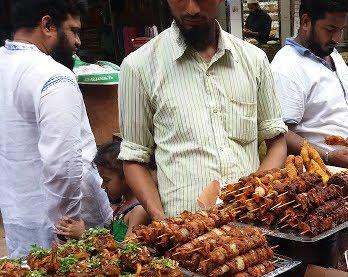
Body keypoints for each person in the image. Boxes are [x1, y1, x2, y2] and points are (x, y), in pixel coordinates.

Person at [118, 0, 287, 220]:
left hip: (252, 232)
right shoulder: (138, 67)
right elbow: (134, 159)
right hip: (183, 234)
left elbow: (277, 143)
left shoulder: (254, 60)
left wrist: (252, 198)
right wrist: (161, 220)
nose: (192, 9)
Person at [0, 0, 111, 258]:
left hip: (18, 216)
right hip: (61, 231)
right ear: (48, 25)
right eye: (73, 30)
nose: (78, 42)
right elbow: (64, 165)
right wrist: (68, 226)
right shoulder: (53, 75)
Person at [270, 0, 348, 167]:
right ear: (306, 22)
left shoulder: (332, 54)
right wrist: (328, 156)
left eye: (340, 30)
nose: (337, 39)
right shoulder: (286, 66)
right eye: (330, 30)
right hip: (327, 173)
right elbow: (281, 133)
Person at [56, 141, 150, 241]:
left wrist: (84, 235)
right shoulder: (123, 205)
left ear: (127, 176)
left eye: (106, 180)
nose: (102, 186)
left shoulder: (139, 211)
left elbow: (129, 252)